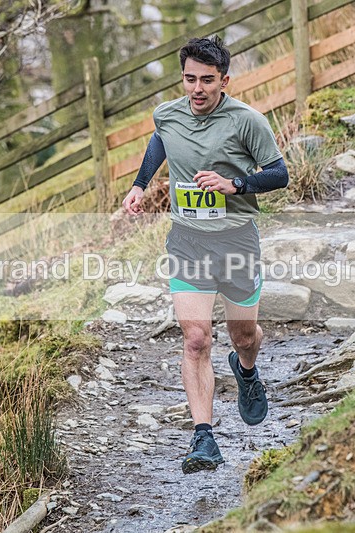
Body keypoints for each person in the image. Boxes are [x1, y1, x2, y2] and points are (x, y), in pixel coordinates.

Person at [122, 36, 289, 475]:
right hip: (188, 240)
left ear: (224, 81)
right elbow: (161, 140)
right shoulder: (168, 113)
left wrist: (236, 185)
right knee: (195, 338)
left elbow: (279, 174)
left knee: (243, 336)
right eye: (190, 79)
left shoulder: (247, 121)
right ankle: (203, 436)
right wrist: (140, 185)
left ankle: (246, 371)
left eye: (207, 81)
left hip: (236, 240)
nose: (197, 89)